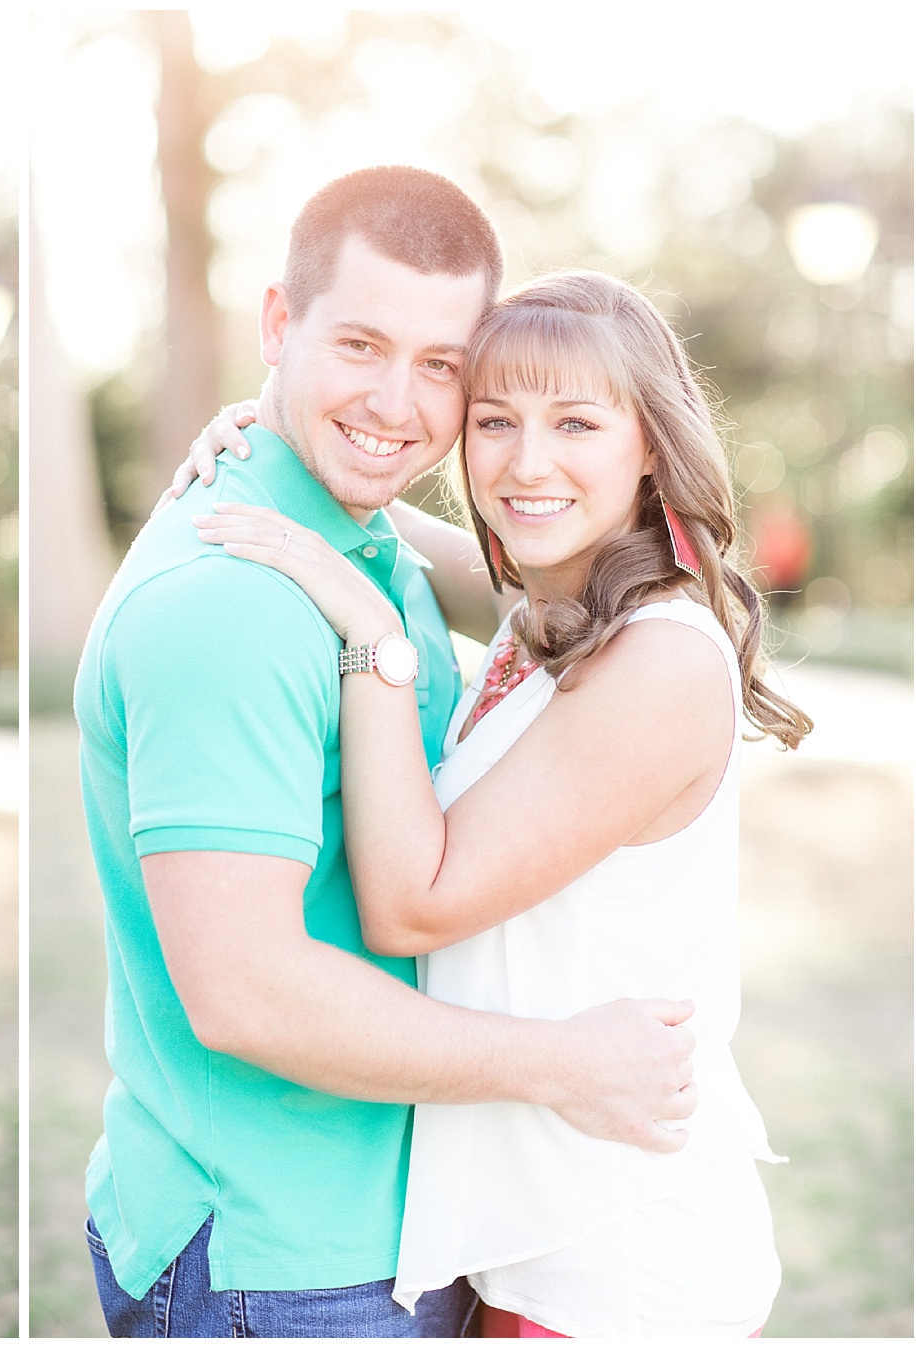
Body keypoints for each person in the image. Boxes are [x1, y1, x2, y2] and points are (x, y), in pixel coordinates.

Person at [72, 166, 699, 1339]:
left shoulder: (356, 541)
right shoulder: (235, 606)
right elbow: (249, 991)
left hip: (403, 1226)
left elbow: (554, 580)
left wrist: (291, 433)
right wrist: (560, 1063)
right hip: (289, 1260)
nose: (399, 403)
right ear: (277, 324)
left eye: (443, 366)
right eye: (359, 345)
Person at [178, 269, 810, 1335]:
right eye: (493, 421)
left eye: (575, 422)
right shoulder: (562, 603)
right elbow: (468, 555)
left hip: (618, 1264)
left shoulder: (657, 659)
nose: (527, 462)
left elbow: (413, 904)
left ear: (649, 441)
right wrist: (278, 448)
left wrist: (368, 635)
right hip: (540, 1246)